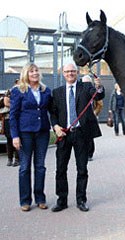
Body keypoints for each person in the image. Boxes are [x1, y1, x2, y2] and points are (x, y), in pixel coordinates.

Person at [50, 63, 105, 212]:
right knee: (60, 169)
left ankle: (81, 200)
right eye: (67, 71)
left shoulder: (85, 88)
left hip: (81, 134)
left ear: (77, 72)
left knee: (82, 169)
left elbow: (98, 95)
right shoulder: (57, 92)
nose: (70, 74)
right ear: (63, 73)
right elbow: (53, 113)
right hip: (64, 135)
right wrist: (55, 127)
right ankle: (62, 200)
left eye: (73, 71)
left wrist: (99, 86)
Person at [10, 63, 52, 212]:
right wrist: (15, 136)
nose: (34, 73)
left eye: (36, 71)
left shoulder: (46, 91)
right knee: (24, 167)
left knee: (40, 167)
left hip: (42, 133)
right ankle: (25, 200)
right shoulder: (18, 91)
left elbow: (51, 110)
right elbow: (13, 115)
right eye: (31, 71)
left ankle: (40, 198)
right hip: (25, 133)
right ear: (26, 74)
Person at [81, 75, 103, 161]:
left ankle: (90, 153)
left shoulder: (93, 91)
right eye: (84, 82)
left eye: (87, 82)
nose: (86, 84)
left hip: (91, 116)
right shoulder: (80, 91)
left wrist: (95, 113)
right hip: (82, 116)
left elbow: (100, 103)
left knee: (90, 136)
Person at [3, 79, 20, 167]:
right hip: (8, 118)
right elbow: (6, 103)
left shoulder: (24, 91)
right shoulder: (9, 91)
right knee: (9, 139)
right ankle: (10, 159)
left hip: (19, 119)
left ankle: (17, 159)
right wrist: (17, 104)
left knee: (18, 138)